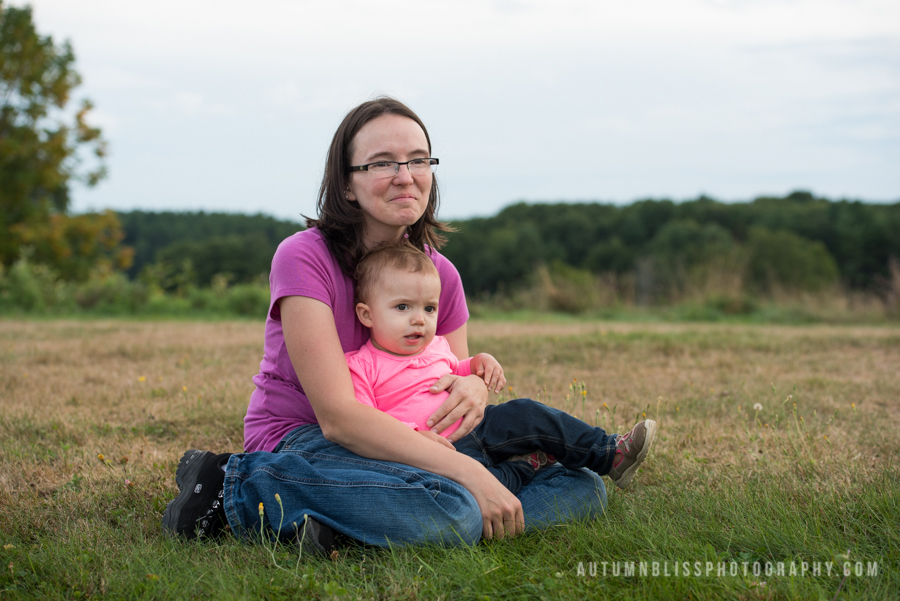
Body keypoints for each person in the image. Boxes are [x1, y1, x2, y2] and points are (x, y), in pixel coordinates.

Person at [162, 97, 614, 555]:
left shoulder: (442, 275)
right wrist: (469, 473)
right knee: (455, 506)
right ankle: (233, 483)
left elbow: (446, 380)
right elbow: (338, 418)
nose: (405, 174)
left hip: (416, 434)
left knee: (584, 485)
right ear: (346, 185)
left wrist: (474, 386)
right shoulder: (304, 257)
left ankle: (347, 526)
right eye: (383, 163)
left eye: (418, 160)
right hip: (305, 435)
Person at [346, 241, 657, 496]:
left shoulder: (436, 345)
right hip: (436, 454)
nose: (419, 319)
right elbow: (365, 422)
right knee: (476, 489)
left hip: (481, 425)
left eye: (429, 308)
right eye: (403, 307)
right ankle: (524, 466)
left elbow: (458, 368)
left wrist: (479, 363)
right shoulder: (362, 365)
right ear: (366, 315)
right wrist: (414, 439)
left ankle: (608, 452)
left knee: (527, 412)